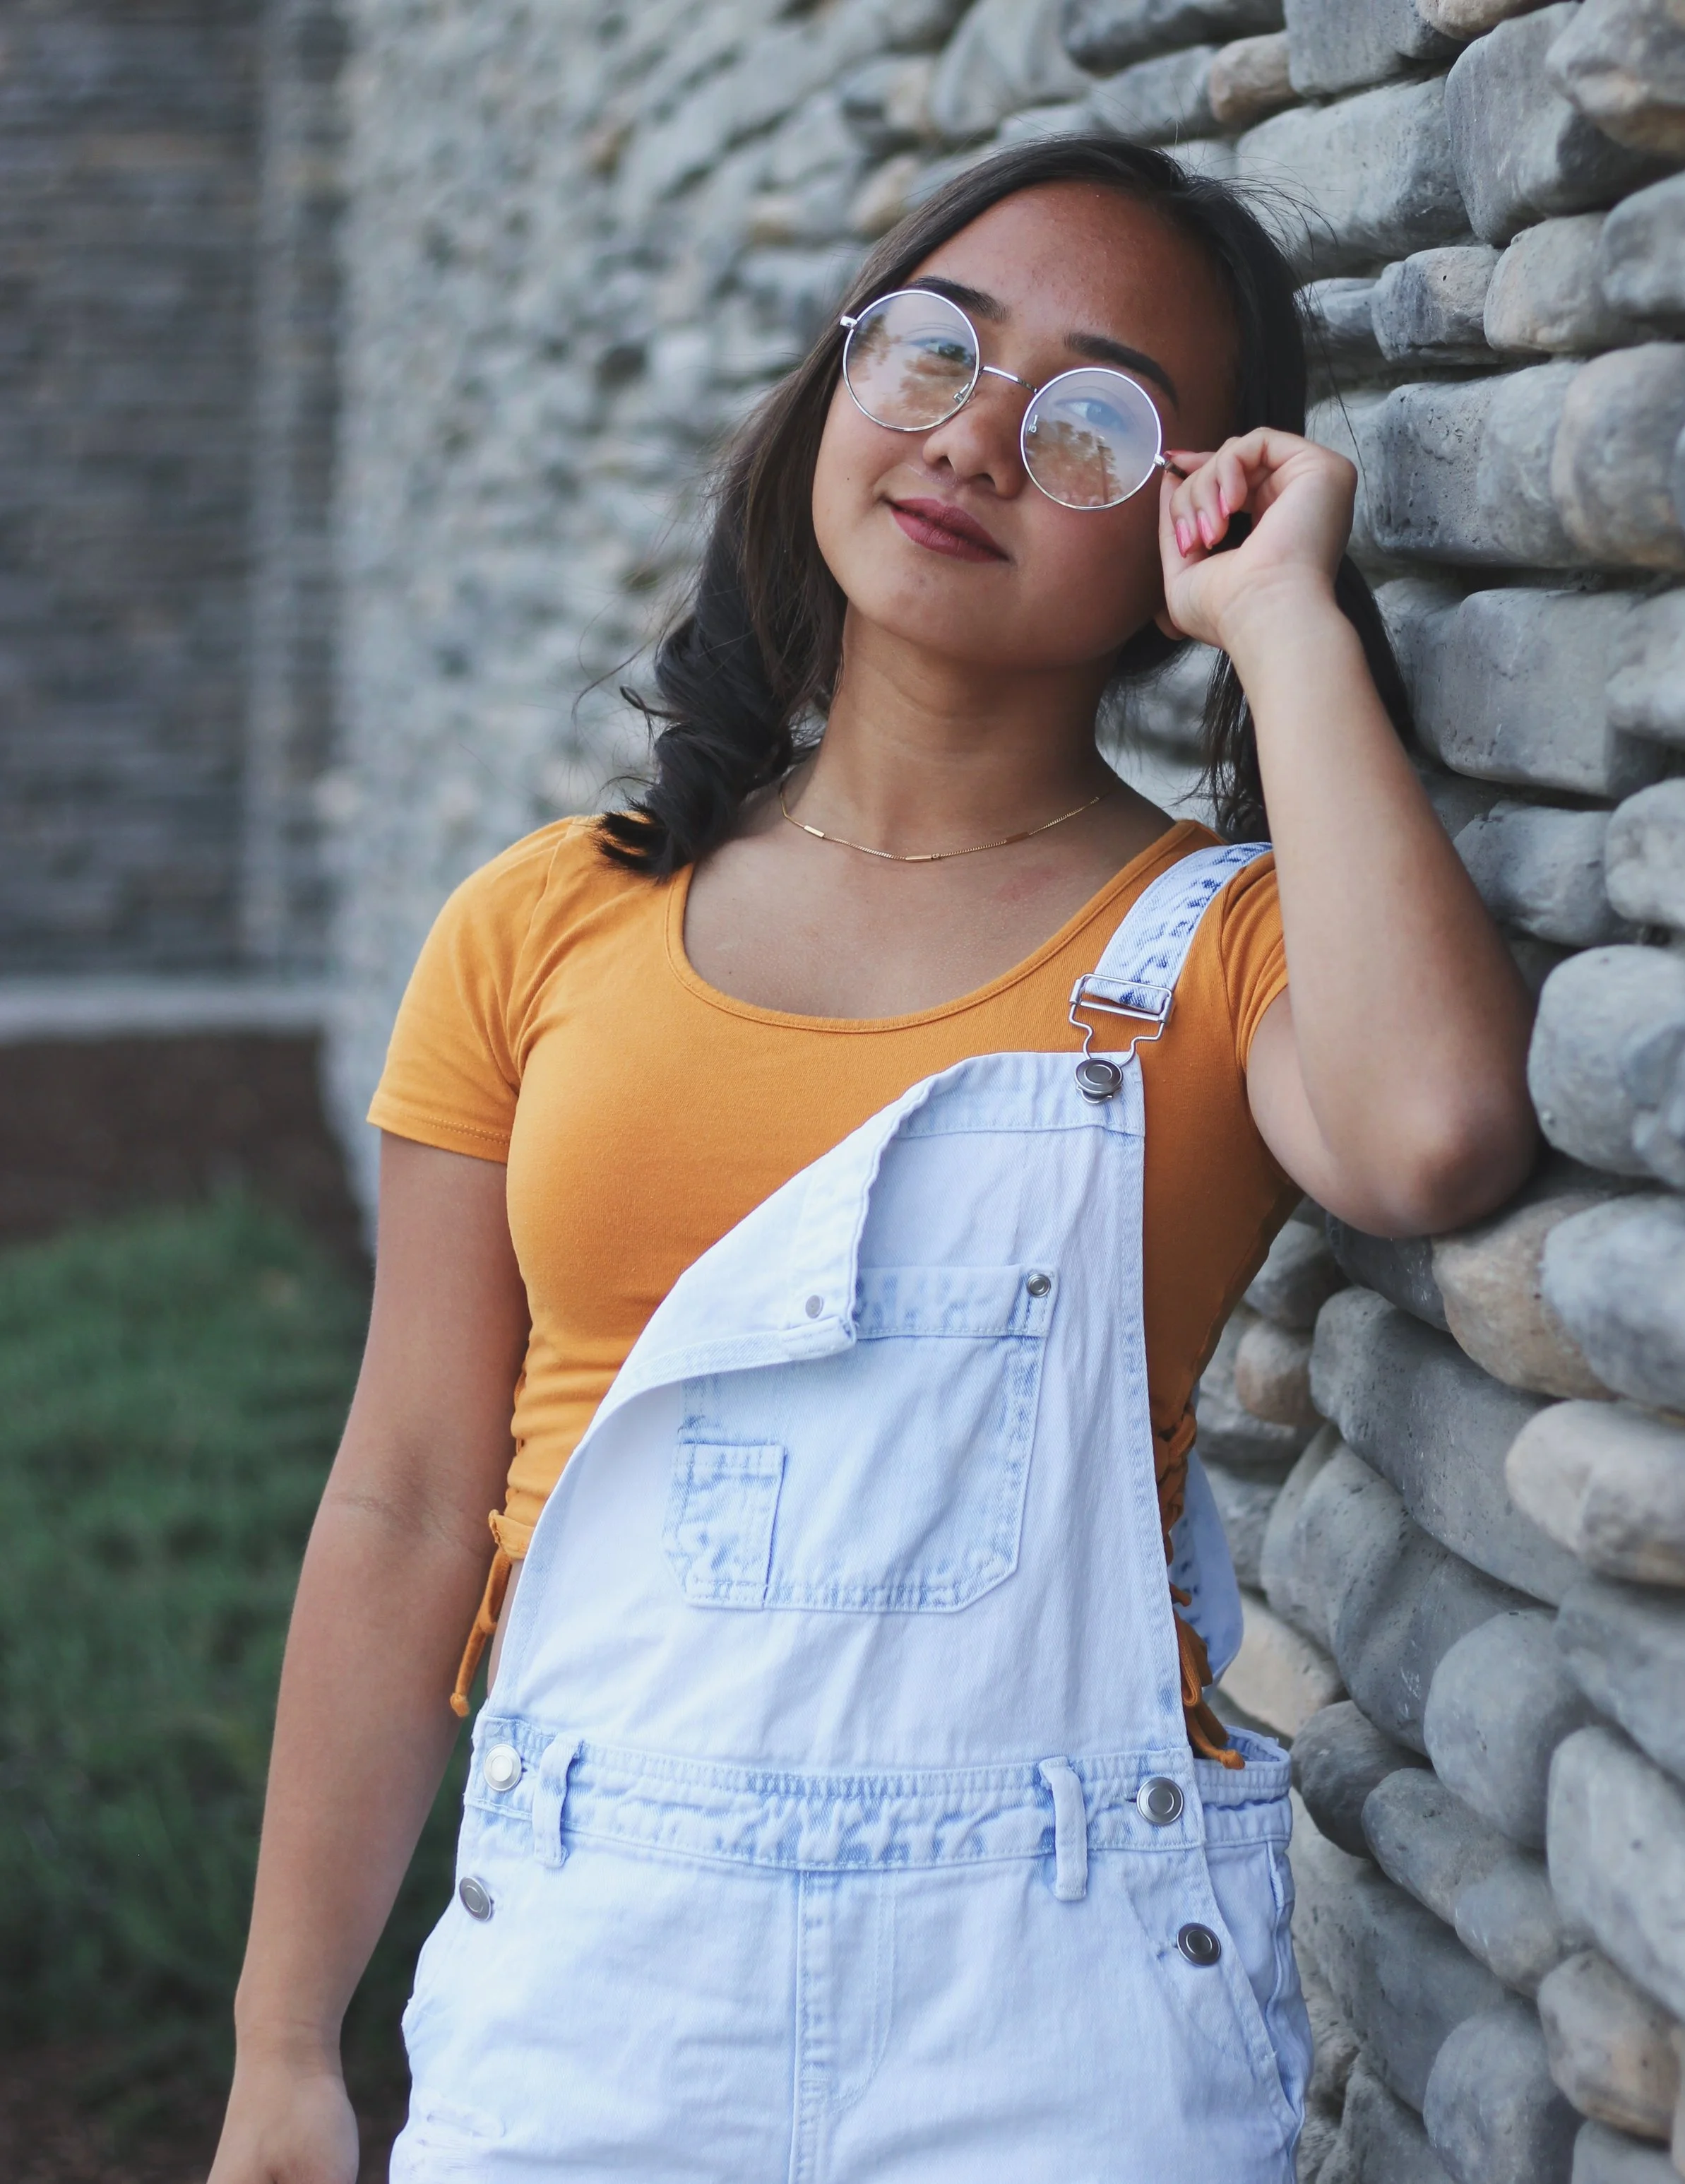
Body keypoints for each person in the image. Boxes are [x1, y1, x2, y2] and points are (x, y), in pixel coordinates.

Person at [210, 138, 1536, 2184]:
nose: (976, 436)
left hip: (1061, 2009)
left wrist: (1281, 627)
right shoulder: (540, 922)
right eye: (932, 349)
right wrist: (289, 2039)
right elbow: (401, 1501)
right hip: (588, 1980)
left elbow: (1428, 1130)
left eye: (1094, 419)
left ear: (1190, 505)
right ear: (835, 384)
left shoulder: (1214, 944)